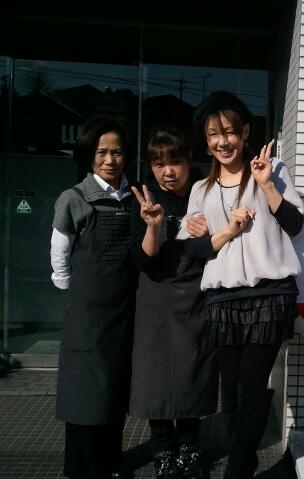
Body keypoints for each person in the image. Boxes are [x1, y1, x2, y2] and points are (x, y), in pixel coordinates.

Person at [177, 91, 304, 479]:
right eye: (214, 135)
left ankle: (236, 469)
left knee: (251, 387)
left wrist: (267, 185)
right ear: (206, 141)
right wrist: (207, 233)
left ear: (245, 132)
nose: (223, 142)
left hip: (269, 296)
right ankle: (245, 461)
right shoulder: (200, 190)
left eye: (230, 132)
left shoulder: (272, 170)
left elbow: (296, 224)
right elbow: (192, 250)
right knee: (231, 391)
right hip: (222, 300)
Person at [50, 115, 138, 479]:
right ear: (89, 155)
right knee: (84, 391)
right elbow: (59, 254)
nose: (110, 160)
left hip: (124, 310)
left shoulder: (134, 197)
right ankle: (84, 468)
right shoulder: (74, 198)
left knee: (114, 389)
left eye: (117, 152)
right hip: (87, 314)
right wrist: (75, 288)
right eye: (102, 152)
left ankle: (111, 462)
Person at [129, 128, 218, 479]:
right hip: (155, 298)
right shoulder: (144, 197)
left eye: (175, 162)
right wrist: (153, 226)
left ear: (189, 160)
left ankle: (189, 449)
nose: (167, 171)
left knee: (193, 372)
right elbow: (143, 261)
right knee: (156, 377)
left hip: (196, 295)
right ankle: (163, 452)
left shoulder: (206, 191)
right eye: (158, 163)